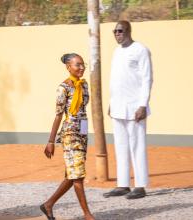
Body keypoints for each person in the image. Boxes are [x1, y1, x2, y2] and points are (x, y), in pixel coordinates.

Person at [41, 53, 94, 220]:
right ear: (68, 67)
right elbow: (58, 115)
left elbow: (83, 111)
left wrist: (84, 134)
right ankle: (87, 215)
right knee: (77, 175)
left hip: (82, 133)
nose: (81, 67)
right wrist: (51, 141)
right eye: (77, 65)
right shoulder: (63, 88)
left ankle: (48, 205)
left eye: (82, 64)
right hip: (70, 134)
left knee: (72, 174)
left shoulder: (84, 85)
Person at [103, 20, 153, 199]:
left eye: (120, 31)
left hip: (134, 107)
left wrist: (143, 104)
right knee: (120, 146)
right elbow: (117, 79)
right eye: (114, 31)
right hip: (118, 106)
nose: (117, 34)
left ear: (128, 31)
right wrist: (112, 102)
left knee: (137, 145)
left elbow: (147, 79)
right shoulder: (117, 51)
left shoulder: (141, 50)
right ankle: (123, 184)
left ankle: (140, 186)